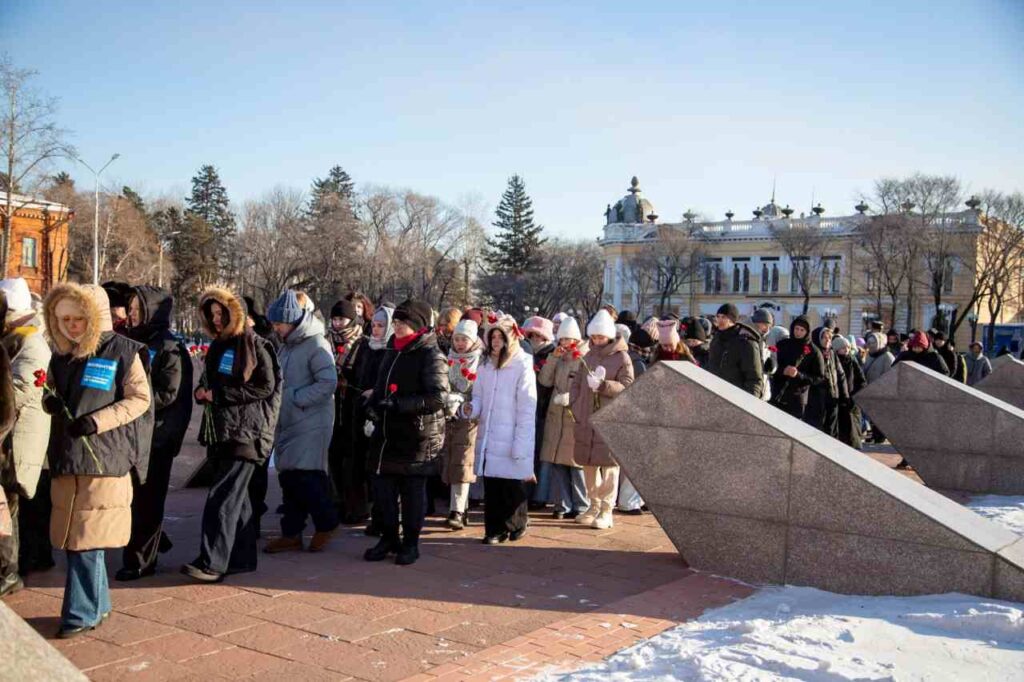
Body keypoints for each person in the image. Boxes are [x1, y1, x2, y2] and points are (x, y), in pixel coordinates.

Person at [42, 284, 153, 638]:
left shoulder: (122, 350)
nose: (72, 327)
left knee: (85, 539)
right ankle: (97, 604)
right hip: (67, 455)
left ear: (95, 317)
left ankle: (80, 612)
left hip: (103, 456)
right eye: (66, 320)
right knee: (80, 536)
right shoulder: (60, 354)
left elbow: (140, 398)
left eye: (79, 319)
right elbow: (54, 393)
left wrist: (97, 421)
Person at [184, 287, 281, 583]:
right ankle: (240, 558)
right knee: (239, 502)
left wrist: (219, 395)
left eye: (220, 313)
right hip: (224, 431)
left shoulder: (255, 344)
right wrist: (203, 394)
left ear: (234, 314)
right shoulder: (219, 346)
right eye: (211, 314)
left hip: (247, 433)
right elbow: (211, 382)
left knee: (222, 499)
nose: (215, 319)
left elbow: (266, 386)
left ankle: (212, 563)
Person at [117, 286, 193, 581]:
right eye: (131, 309)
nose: (131, 314)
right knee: (133, 497)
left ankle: (139, 562)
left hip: (158, 436)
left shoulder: (169, 347)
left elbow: (169, 393)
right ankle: (153, 542)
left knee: (148, 500)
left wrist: (130, 398)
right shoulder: (133, 339)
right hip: (134, 433)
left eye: (137, 309)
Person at [363, 299, 447, 566]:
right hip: (388, 432)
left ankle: (411, 543)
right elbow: (381, 385)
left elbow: (438, 398)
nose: (397, 327)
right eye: (396, 322)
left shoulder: (430, 354)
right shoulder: (392, 349)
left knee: (412, 493)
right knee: (383, 491)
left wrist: (401, 404)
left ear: (418, 326)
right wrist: (372, 404)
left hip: (417, 436)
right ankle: (389, 537)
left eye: (403, 323)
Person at [263, 291, 339, 554]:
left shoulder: (316, 344)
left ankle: (326, 523)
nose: (275, 327)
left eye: (279, 323)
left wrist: (294, 398)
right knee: (290, 479)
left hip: (311, 422)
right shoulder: (287, 344)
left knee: (307, 477)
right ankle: (291, 533)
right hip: (290, 421)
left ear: (292, 320)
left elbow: (328, 383)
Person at [464, 315, 537, 544]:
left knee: (512, 484)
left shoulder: (522, 364)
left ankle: (517, 522)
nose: (496, 341)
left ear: (510, 338)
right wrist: (470, 408)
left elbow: (527, 406)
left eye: (500, 337)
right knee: (493, 484)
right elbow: (479, 396)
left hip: (512, 432)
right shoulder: (485, 365)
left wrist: (522, 440)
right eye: (492, 337)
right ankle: (494, 529)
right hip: (490, 434)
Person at [0, 280, 52, 595]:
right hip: (8, 441)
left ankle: (10, 573)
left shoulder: (32, 345)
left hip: (18, 444)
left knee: (11, 508)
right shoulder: (11, 341)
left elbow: (20, 392)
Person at [569, 309, 634, 530]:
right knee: (588, 463)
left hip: (609, 418)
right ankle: (593, 504)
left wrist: (604, 385)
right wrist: (576, 405)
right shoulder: (588, 355)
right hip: (587, 417)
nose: (596, 340)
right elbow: (576, 383)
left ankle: (607, 509)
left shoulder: (622, 357)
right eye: (594, 336)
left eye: (600, 336)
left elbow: (627, 386)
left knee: (609, 466)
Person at [538, 317, 589, 520]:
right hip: (555, 414)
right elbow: (544, 380)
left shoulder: (584, 357)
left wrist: (572, 398)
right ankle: (563, 504)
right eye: (561, 339)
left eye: (568, 339)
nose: (564, 343)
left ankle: (582, 504)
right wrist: (553, 358)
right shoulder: (559, 357)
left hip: (573, 415)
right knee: (557, 461)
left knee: (576, 464)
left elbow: (588, 387)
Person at [350, 305, 394, 537]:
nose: (376, 330)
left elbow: (390, 383)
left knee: (381, 470)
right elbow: (357, 373)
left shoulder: (392, 350)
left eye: (381, 326)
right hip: (361, 410)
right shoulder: (366, 347)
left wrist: (375, 393)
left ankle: (382, 518)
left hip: (381, 414)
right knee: (364, 466)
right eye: (374, 325)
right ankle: (366, 510)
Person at [327, 298, 367, 524]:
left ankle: (357, 506)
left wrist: (346, 379)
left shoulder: (363, 344)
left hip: (354, 407)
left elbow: (364, 375)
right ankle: (337, 502)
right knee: (334, 456)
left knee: (354, 460)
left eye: (341, 319)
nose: (337, 324)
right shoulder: (327, 342)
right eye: (334, 319)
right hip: (333, 408)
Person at [441, 318, 482, 530]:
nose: (459, 343)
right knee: (451, 460)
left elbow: (480, 388)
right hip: (449, 416)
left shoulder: (480, 360)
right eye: (456, 339)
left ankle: (457, 510)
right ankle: (458, 506)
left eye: (464, 339)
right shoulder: (449, 358)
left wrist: (467, 402)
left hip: (469, 417)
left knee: (463, 461)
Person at [522, 316, 555, 510]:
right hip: (526, 409)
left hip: (543, 409)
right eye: (531, 335)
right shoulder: (523, 352)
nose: (534, 339)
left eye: (538, 335)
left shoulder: (551, 354)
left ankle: (539, 494)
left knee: (541, 454)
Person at [770, 316, 825, 421]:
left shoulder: (814, 351)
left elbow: (819, 377)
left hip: (797, 398)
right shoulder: (783, 344)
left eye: (802, 330)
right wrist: (783, 370)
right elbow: (772, 365)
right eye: (796, 329)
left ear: (807, 331)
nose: (798, 332)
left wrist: (799, 375)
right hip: (778, 394)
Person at [707, 304, 763, 397]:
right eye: (718, 316)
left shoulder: (746, 342)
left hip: (736, 396)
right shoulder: (716, 339)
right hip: (714, 393)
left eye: (724, 317)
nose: (719, 320)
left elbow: (754, 377)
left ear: (732, 320)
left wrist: (751, 402)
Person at [804, 327, 848, 438]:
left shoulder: (832, 354)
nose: (827, 340)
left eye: (829, 337)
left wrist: (844, 395)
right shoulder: (812, 353)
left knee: (831, 429)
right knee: (816, 428)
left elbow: (840, 374)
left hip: (833, 396)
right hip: (816, 398)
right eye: (824, 337)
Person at [861, 332, 895, 443]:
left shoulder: (887, 357)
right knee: (872, 415)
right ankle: (874, 434)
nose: (870, 344)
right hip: (870, 390)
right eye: (869, 342)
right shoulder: (870, 355)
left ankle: (880, 436)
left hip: (882, 392)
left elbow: (891, 376)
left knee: (881, 415)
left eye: (873, 342)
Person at [832, 336, 865, 449]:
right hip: (838, 400)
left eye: (847, 347)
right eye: (843, 348)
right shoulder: (833, 361)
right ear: (836, 349)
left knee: (853, 432)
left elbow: (861, 381)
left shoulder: (852, 360)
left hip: (852, 402)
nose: (846, 349)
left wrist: (855, 396)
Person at [750, 308, 777, 401]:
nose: (767, 329)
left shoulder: (767, 339)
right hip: (750, 387)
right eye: (765, 325)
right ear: (757, 323)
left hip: (763, 387)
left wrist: (772, 366)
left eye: (769, 326)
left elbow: (772, 358)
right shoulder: (748, 338)